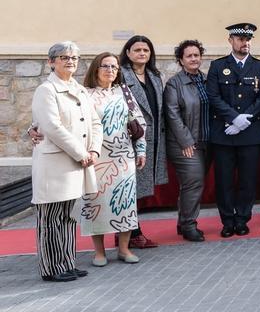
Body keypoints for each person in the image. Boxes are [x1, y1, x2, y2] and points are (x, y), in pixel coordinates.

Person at [30, 42, 99, 282]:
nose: (70, 61)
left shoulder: (79, 89)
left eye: (74, 58)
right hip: (55, 164)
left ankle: (67, 262)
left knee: (68, 217)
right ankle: (51, 268)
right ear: (51, 62)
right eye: (64, 57)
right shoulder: (46, 90)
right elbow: (51, 127)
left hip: (76, 163)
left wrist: (94, 150)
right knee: (50, 219)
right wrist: (82, 153)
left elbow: (95, 123)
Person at [80, 53, 146, 266]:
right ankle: (99, 252)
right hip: (96, 156)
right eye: (105, 66)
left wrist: (141, 150)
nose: (110, 70)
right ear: (96, 69)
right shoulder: (85, 94)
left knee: (125, 202)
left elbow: (139, 123)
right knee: (96, 203)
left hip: (123, 155)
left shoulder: (123, 92)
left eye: (114, 67)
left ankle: (124, 249)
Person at [206, 23, 260, 237]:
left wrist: (245, 119)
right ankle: (227, 221)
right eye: (241, 39)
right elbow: (213, 96)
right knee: (224, 181)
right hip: (224, 133)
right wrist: (234, 118)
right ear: (231, 41)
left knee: (247, 180)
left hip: (250, 133)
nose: (246, 43)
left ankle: (242, 219)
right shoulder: (218, 66)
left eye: (248, 39)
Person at [119, 35, 167, 250]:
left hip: (154, 141)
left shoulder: (154, 77)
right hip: (130, 141)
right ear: (128, 53)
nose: (142, 54)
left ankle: (128, 232)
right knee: (130, 189)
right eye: (137, 50)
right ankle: (132, 233)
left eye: (146, 50)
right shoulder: (120, 76)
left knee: (138, 190)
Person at [163, 39, 210, 241]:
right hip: (185, 144)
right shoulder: (174, 84)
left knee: (191, 184)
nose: (193, 59)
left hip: (207, 141)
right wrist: (186, 142)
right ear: (181, 60)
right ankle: (189, 225)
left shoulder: (208, 80)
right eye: (189, 56)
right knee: (194, 182)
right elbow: (172, 114)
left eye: (196, 55)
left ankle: (183, 223)